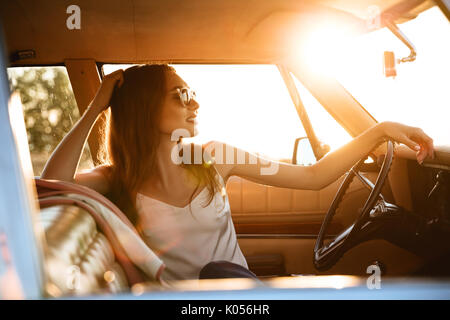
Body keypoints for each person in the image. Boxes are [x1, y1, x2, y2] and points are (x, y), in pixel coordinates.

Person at [41, 64, 435, 282]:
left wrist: (380, 131)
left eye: (192, 93)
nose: (194, 103)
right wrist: (97, 106)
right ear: (144, 107)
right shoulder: (115, 179)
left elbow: (313, 176)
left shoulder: (216, 156)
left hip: (245, 297)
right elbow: (50, 185)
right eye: (179, 94)